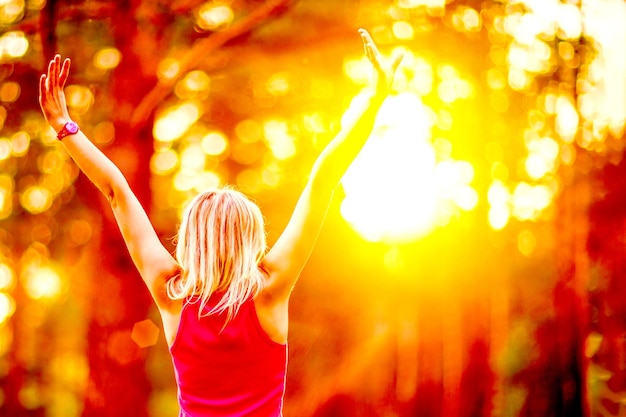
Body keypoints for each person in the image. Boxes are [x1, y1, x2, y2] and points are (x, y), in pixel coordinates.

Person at [39, 28, 402, 417]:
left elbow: (116, 191)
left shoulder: (172, 293)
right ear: (250, 237)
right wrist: (375, 100)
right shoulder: (271, 288)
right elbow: (324, 179)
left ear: (193, 239)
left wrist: (65, 127)